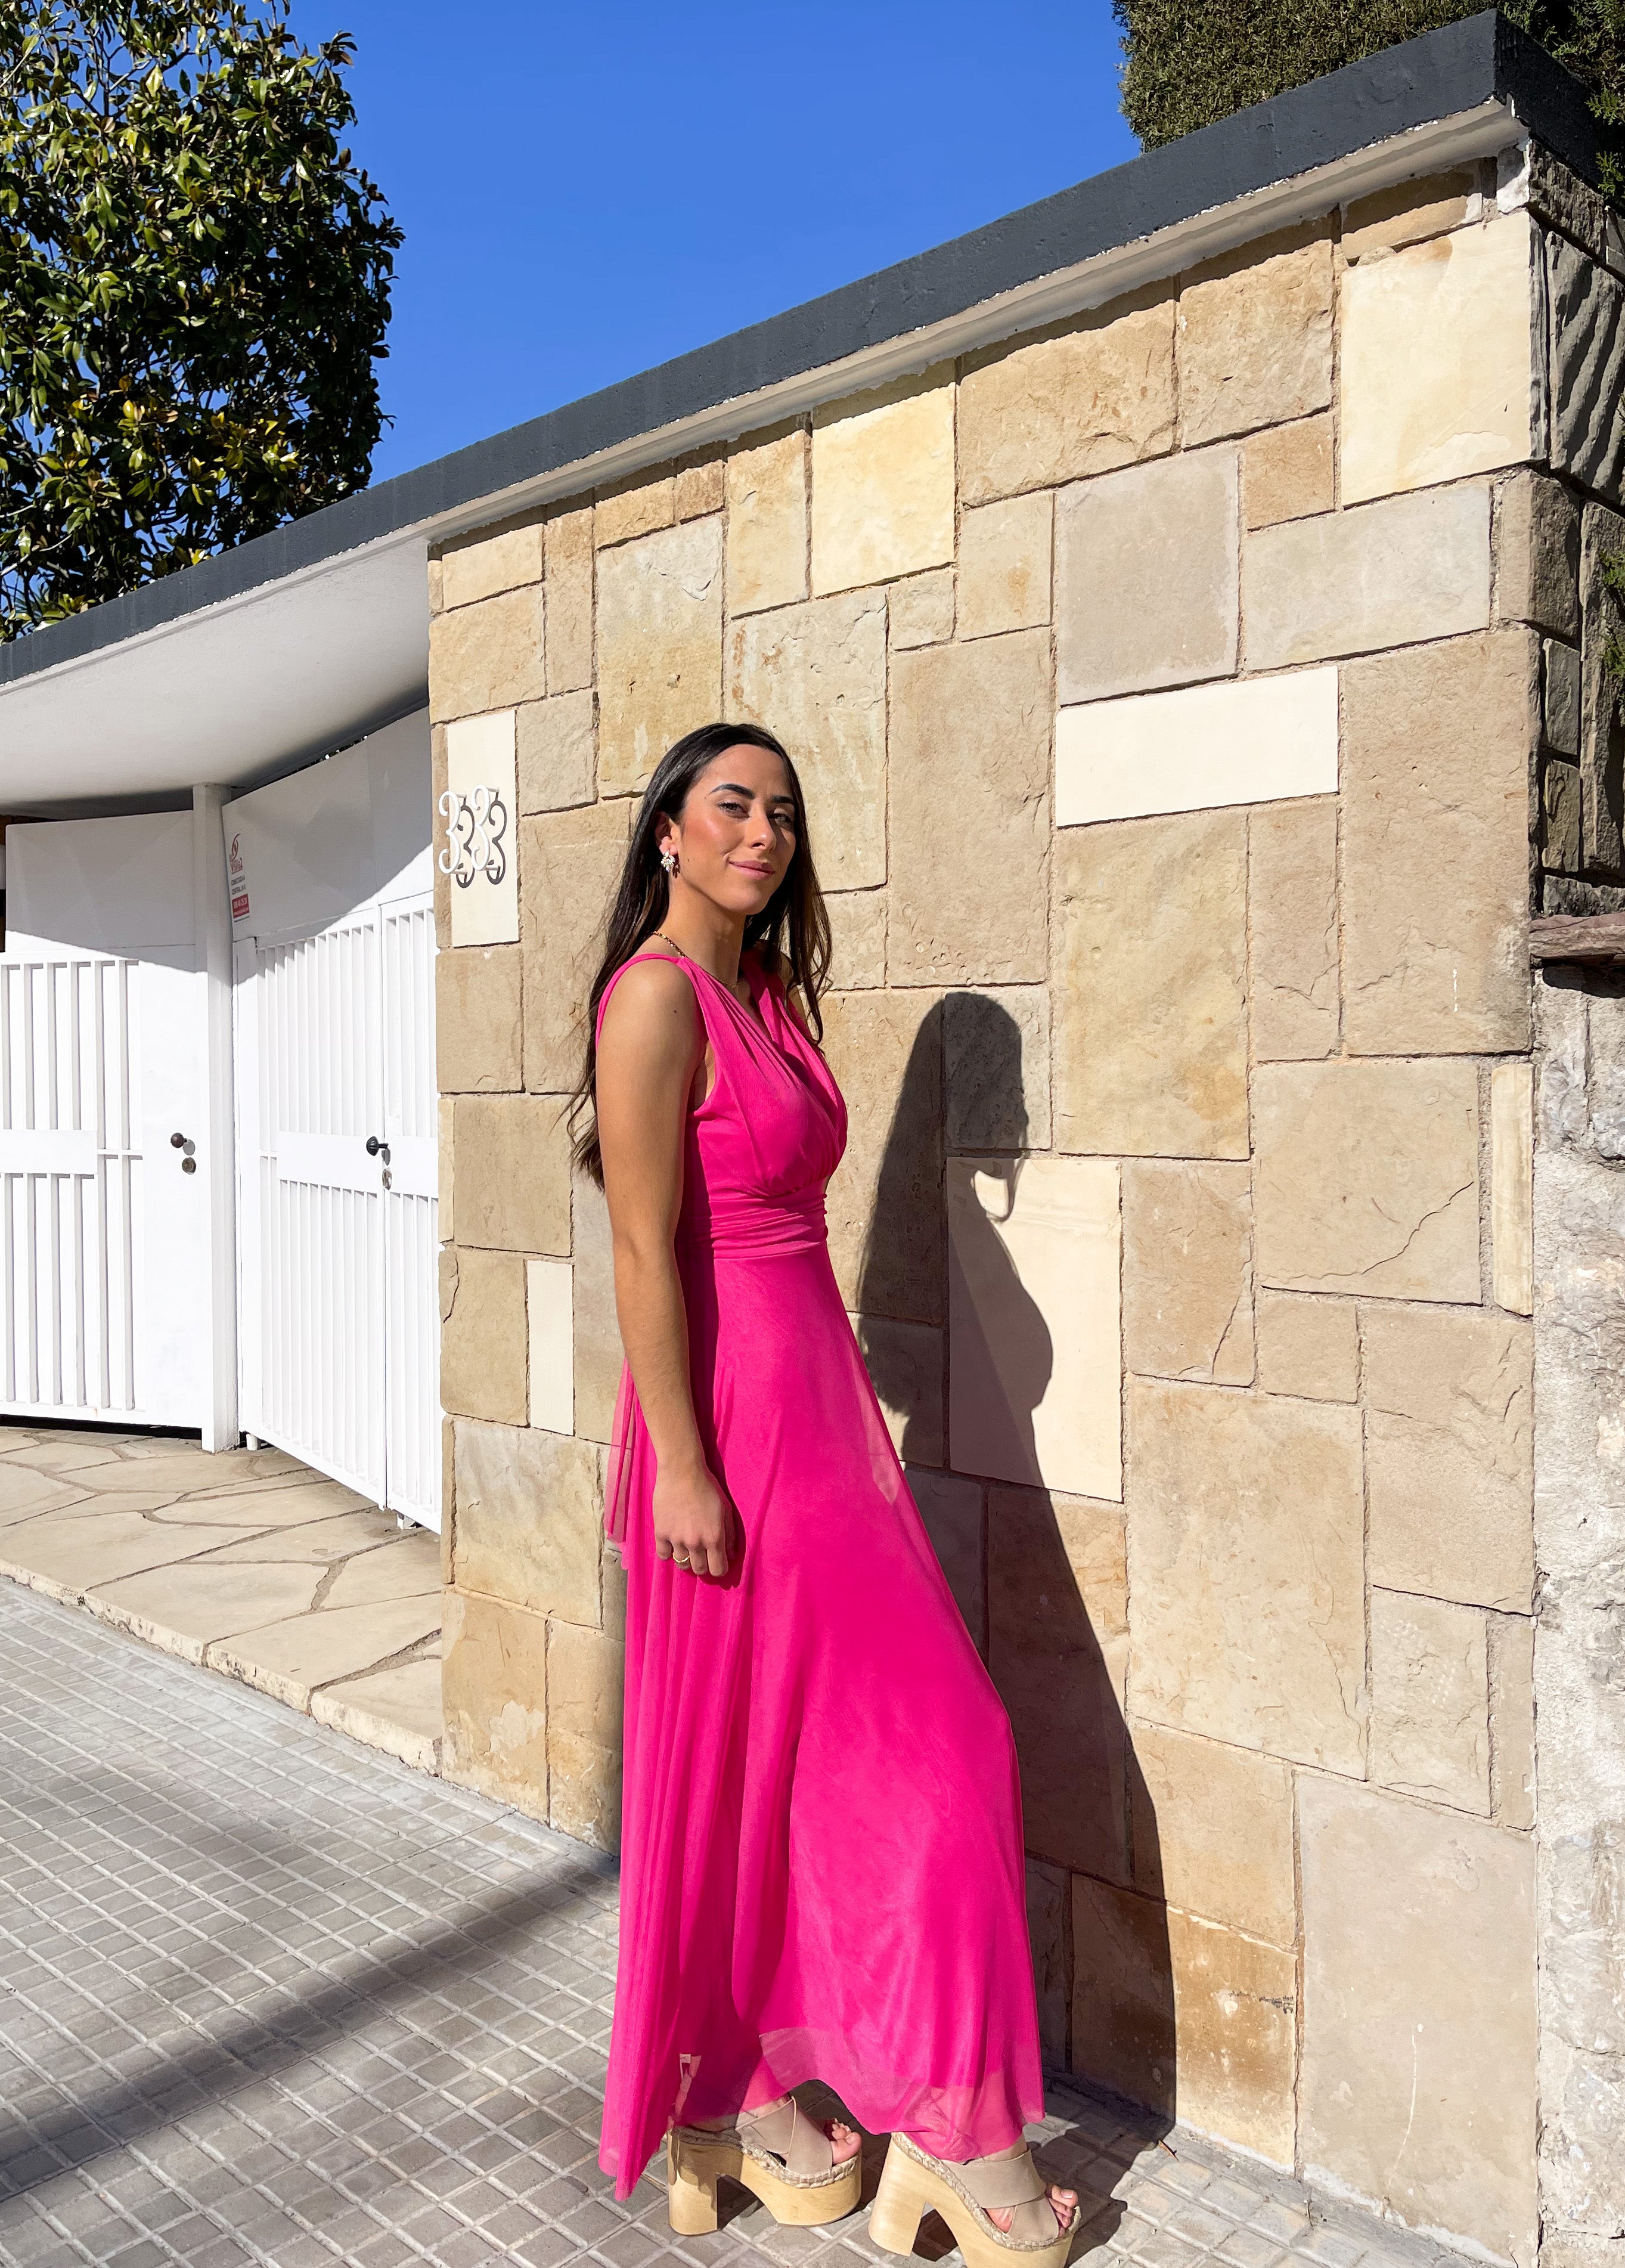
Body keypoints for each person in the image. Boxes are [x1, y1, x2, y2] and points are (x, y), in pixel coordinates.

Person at [569, 721, 1080, 2268]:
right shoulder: (656, 998)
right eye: (733, 804)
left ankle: (743, 2103)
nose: (764, 831)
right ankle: (949, 2136)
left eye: (784, 812)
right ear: (669, 828)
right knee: (923, 1748)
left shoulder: (764, 995)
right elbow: (645, 1249)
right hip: (733, 1431)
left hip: (821, 1415)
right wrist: (684, 1462)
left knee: (821, 1767)